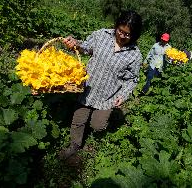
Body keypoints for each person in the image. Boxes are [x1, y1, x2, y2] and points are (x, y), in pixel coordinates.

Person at [58, 10, 143, 160]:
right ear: (116, 26)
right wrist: (75, 43)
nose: (122, 36)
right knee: (78, 120)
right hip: (87, 89)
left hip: (107, 96)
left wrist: (123, 95)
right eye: (120, 31)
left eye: (127, 34)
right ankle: (75, 145)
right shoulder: (101, 35)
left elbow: (132, 79)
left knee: (97, 126)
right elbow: (85, 47)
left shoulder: (135, 55)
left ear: (134, 35)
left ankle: (100, 122)